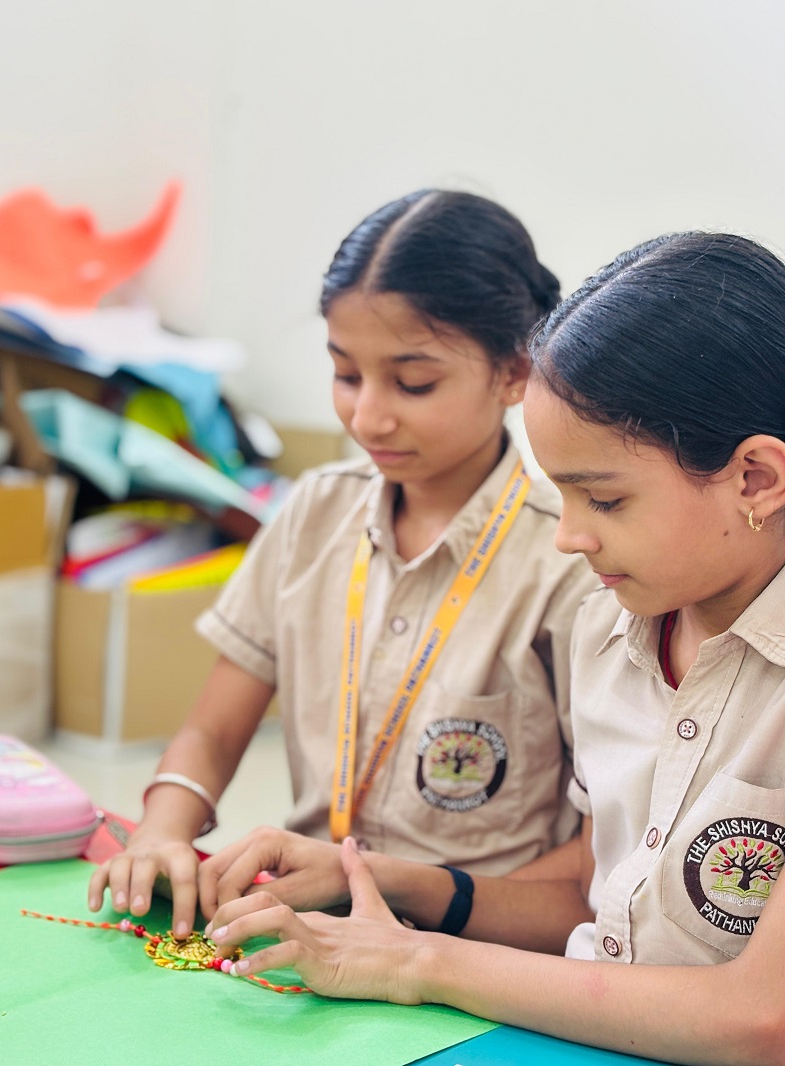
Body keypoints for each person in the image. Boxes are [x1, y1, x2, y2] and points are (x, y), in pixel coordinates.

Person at [202, 230, 785, 1065]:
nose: (568, 537)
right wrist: (376, 878)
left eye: (605, 501)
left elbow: (762, 1018)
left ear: (756, 479)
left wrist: (417, 961)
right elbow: (595, 901)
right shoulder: (610, 627)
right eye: (562, 495)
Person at [88, 189, 598, 937]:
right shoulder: (314, 513)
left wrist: (399, 906)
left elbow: (594, 870)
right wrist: (163, 829)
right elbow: (212, 733)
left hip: (472, 942)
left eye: (414, 383)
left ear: (515, 371)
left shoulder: (571, 561)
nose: (367, 417)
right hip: (307, 924)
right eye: (346, 375)